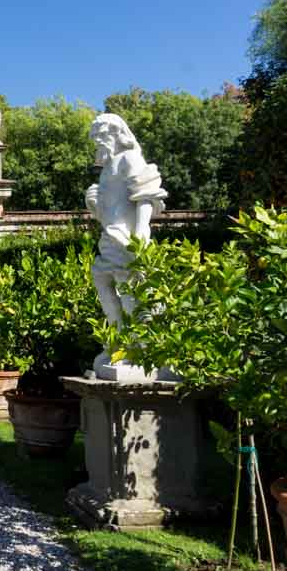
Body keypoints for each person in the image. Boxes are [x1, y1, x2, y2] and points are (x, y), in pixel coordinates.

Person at [86, 113, 167, 375]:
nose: (98, 141)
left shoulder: (129, 159)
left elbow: (145, 196)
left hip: (127, 240)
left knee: (131, 294)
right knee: (104, 285)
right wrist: (93, 203)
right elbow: (108, 211)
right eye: (95, 137)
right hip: (109, 239)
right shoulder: (107, 168)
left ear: (116, 133)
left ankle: (141, 349)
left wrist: (141, 232)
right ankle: (119, 344)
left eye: (101, 135)